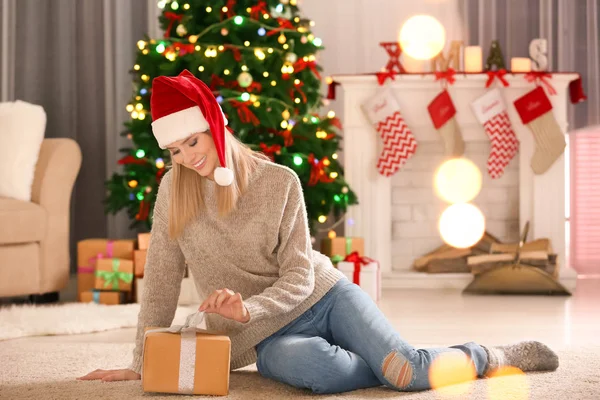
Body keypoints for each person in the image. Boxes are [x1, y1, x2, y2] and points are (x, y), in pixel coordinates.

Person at [78, 70, 559, 393]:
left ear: (215, 127)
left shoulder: (278, 181)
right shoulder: (173, 192)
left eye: (193, 141)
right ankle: (382, 362)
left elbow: (301, 276)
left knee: (408, 373)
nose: (187, 157)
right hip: (265, 335)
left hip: (325, 297)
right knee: (318, 372)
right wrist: (142, 359)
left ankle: (489, 354)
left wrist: (249, 305)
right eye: (176, 151)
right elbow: (161, 278)